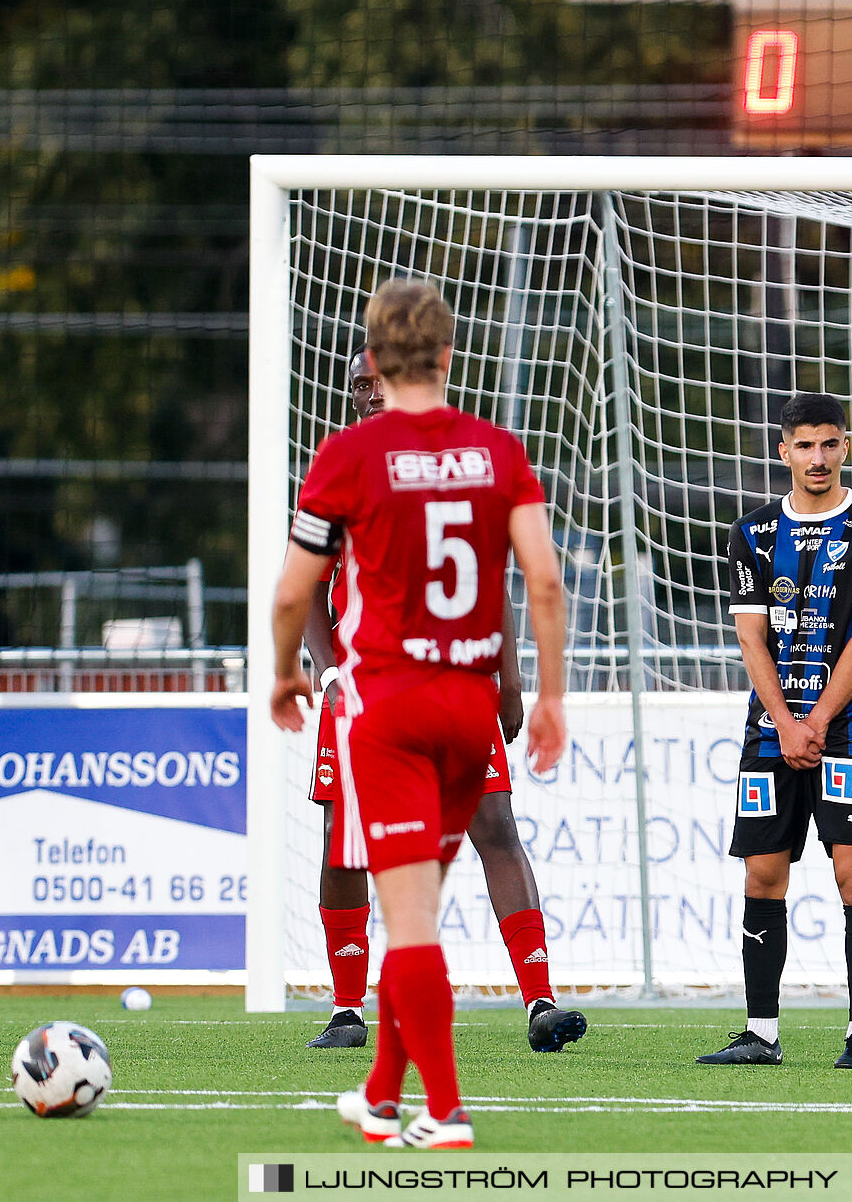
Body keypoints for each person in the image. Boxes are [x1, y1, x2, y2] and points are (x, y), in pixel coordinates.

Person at [272, 279, 569, 1149]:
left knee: (407, 918)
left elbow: (295, 590)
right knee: (427, 903)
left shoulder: (348, 457)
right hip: (468, 703)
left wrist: (285, 673)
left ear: (374, 360)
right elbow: (542, 583)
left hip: (391, 706)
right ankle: (378, 1089)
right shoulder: (496, 451)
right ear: (447, 356)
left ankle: (440, 1110)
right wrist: (545, 691)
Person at [698, 394, 852, 1070]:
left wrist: (814, 720)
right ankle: (760, 1031)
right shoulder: (751, 532)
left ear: (845, 447)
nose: (817, 458)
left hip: (848, 733)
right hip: (769, 736)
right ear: (782, 451)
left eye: (829, 444)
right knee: (761, 876)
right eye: (804, 445)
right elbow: (750, 639)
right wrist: (784, 721)